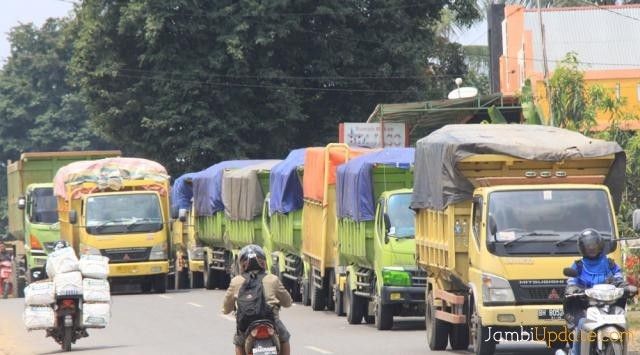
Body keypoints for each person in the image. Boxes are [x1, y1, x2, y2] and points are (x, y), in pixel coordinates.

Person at [222, 244, 292, 355]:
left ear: (242, 264)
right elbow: (288, 302)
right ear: (263, 262)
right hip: (272, 322)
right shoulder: (272, 279)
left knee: (238, 342)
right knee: (285, 337)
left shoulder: (236, 281)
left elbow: (225, 309)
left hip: (245, 325)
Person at [564, 229, 624, 355]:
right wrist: (573, 289)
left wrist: (626, 286)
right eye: (588, 246)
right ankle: (575, 352)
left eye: (594, 245)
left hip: (609, 303)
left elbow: (619, 277)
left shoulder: (609, 263)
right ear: (582, 248)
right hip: (585, 305)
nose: (591, 248)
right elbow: (571, 282)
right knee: (581, 323)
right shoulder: (578, 265)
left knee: (623, 319)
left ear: (600, 245)